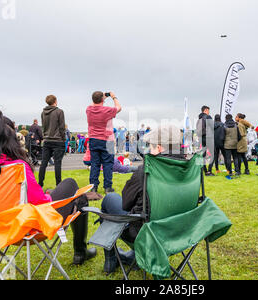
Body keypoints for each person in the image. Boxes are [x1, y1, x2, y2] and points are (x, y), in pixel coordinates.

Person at [0, 109, 97, 265]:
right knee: (73, 188)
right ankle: (80, 252)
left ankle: (81, 252)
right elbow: (40, 203)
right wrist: (50, 196)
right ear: (10, 138)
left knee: (62, 193)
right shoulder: (16, 166)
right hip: (23, 228)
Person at [98, 123, 183, 273]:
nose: (149, 150)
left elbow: (125, 203)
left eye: (151, 146)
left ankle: (112, 259)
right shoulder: (189, 170)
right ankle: (134, 256)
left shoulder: (147, 171)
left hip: (146, 234)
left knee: (110, 199)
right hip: (178, 232)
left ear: (160, 148)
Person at [86, 91, 121, 194]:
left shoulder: (89, 109)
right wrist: (114, 97)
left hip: (93, 139)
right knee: (108, 164)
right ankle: (107, 187)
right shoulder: (107, 110)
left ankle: (93, 187)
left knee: (95, 164)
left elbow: (94, 103)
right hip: (108, 139)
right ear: (102, 100)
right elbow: (119, 107)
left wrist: (102, 97)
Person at [38, 95, 66, 188]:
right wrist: (63, 139)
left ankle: (40, 183)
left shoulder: (43, 113)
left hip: (47, 140)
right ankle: (58, 185)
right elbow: (62, 127)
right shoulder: (59, 111)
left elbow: (44, 127)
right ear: (55, 101)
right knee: (57, 163)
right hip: (58, 140)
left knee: (44, 163)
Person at [196, 105, 214, 176]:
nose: (209, 112)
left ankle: (204, 170)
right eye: (208, 110)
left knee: (203, 155)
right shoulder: (208, 117)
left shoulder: (199, 119)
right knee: (213, 154)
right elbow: (213, 126)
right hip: (208, 137)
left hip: (201, 138)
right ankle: (209, 171)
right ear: (206, 110)